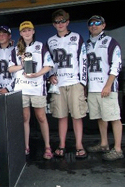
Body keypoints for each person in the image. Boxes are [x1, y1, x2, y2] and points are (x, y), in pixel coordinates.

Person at [8, 21, 54, 159]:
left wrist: (37, 74)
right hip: (21, 88)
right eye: (24, 31)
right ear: (20, 33)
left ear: (33, 31)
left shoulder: (41, 46)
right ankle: (25, 146)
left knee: (41, 117)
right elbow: (10, 68)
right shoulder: (15, 49)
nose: (27, 33)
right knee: (24, 118)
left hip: (37, 87)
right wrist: (22, 65)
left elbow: (49, 65)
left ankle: (47, 146)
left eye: (29, 30)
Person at [47, 9, 88, 158]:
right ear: (53, 24)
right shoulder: (50, 41)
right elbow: (47, 62)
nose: (60, 24)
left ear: (68, 22)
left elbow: (83, 60)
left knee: (77, 116)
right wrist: (50, 75)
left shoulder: (77, 37)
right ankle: (62, 145)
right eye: (57, 22)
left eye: (62, 21)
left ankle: (79, 145)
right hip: (59, 84)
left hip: (74, 82)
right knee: (61, 116)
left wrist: (83, 83)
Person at [85, 15, 124, 161]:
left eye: (97, 23)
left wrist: (108, 85)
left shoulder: (111, 42)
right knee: (100, 117)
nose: (94, 25)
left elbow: (116, 65)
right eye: (91, 23)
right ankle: (104, 144)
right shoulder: (87, 44)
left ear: (103, 25)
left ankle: (118, 149)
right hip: (93, 88)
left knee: (114, 117)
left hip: (107, 87)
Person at [0, 25, 15, 94]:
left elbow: (19, 73)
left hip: (13, 89)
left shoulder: (15, 51)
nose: (1, 37)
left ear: (9, 36)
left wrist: (8, 88)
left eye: (4, 34)